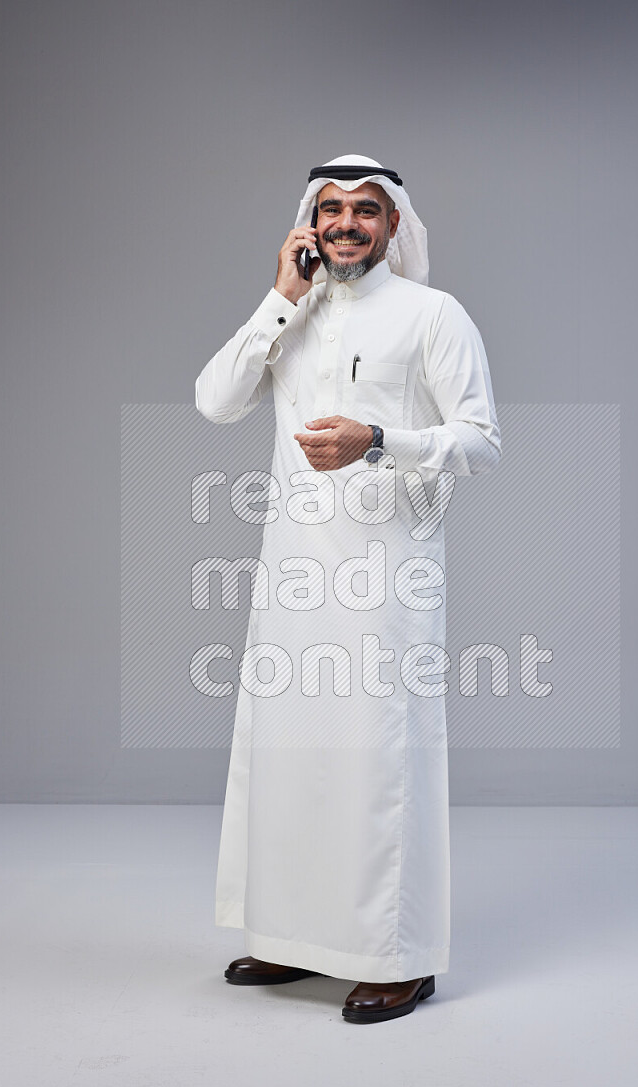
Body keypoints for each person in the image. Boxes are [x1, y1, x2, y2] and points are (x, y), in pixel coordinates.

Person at [194, 154, 501, 1024]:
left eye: (366, 210)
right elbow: (215, 400)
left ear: (394, 223)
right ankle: (295, 939)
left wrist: (378, 439)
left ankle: (398, 959)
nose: (345, 224)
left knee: (377, 765)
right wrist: (279, 298)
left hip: (385, 577)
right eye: (330, 209)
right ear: (309, 221)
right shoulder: (292, 312)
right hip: (293, 574)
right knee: (292, 757)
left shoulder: (433, 315)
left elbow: (482, 440)